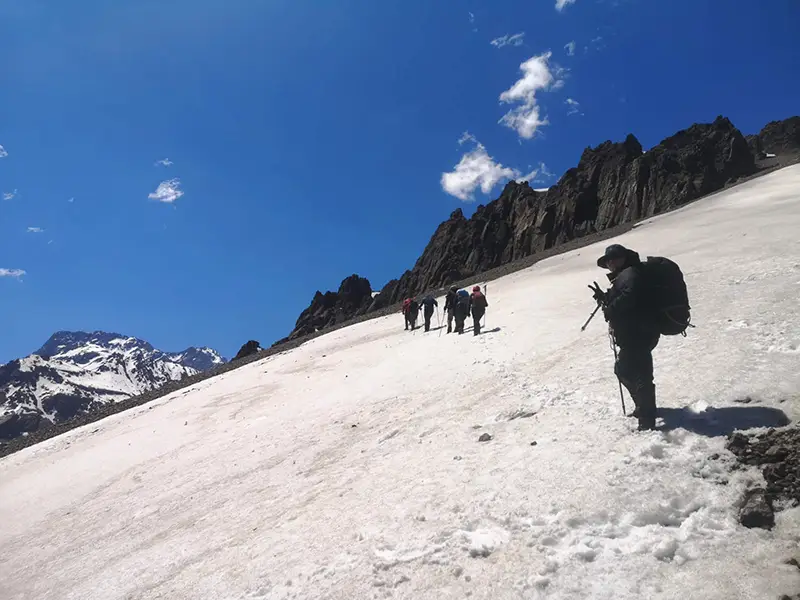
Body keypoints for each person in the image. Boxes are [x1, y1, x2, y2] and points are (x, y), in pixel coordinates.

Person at [595, 244, 660, 431]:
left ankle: (647, 419)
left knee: (640, 375)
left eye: (614, 258)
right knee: (623, 370)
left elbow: (630, 297)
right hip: (634, 333)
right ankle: (643, 407)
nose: (610, 263)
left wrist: (610, 308)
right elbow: (623, 296)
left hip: (638, 333)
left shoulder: (631, 274)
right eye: (608, 260)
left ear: (623, 258)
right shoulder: (625, 275)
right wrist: (604, 298)